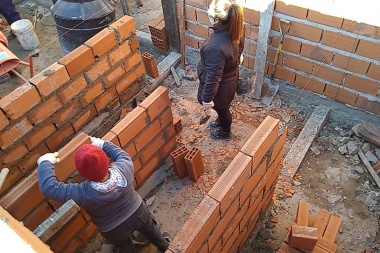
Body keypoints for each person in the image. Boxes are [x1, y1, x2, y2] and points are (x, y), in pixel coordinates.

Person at [37, 137, 170, 253]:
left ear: (83, 173)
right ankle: (164, 246)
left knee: (125, 247)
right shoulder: (124, 166)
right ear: (106, 161)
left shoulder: (82, 193)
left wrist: (45, 162)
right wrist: (100, 144)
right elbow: (119, 153)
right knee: (150, 229)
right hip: (138, 213)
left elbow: (49, 187)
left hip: (113, 229)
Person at [197, 0, 244, 140]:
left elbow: (213, 77)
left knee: (222, 110)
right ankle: (221, 122)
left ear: (216, 18)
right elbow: (240, 47)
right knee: (223, 108)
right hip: (230, 80)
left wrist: (207, 99)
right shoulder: (236, 26)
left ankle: (225, 133)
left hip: (220, 89)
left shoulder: (215, 47)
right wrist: (238, 56)